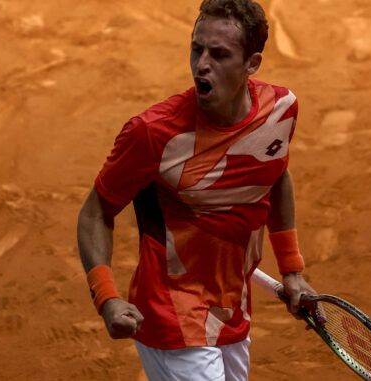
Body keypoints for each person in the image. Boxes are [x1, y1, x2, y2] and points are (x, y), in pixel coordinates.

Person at [76, 0, 315, 379]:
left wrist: (292, 270)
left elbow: (276, 175)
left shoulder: (280, 109)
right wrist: (106, 297)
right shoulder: (153, 133)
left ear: (252, 63)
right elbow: (96, 212)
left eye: (219, 54)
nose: (202, 64)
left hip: (231, 307)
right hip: (172, 310)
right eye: (196, 48)